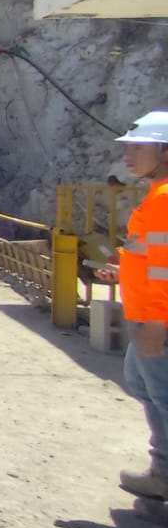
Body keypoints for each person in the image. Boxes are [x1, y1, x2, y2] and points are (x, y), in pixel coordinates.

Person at [112, 111, 168, 505]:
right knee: (144, 386)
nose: (128, 156)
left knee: (162, 395)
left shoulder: (164, 199)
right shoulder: (158, 194)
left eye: (137, 148)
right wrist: (122, 272)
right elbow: (151, 258)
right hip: (145, 313)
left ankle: (163, 474)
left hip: (155, 318)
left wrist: (158, 323)